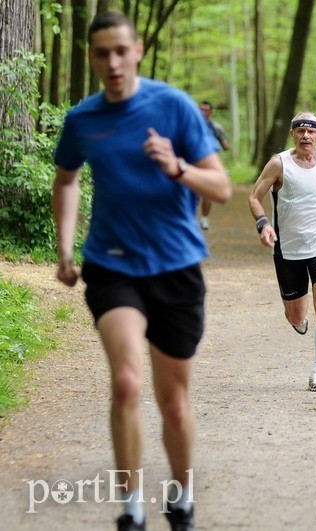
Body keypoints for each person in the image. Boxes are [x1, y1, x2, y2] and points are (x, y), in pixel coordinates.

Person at [51, 12, 231, 531]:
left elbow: (219, 189)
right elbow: (66, 180)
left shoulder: (172, 107)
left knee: (174, 404)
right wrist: (66, 249)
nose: (112, 62)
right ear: (91, 57)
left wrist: (177, 166)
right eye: (101, 53)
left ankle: (182, 498)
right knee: (127, 382)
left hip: (176, 268)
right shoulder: (82, 119)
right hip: (112, 265)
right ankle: (130, 509)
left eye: (120, 51)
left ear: (138, 51)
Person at [248, 112, 316, 392]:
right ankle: (298, 318)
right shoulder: (278, 164)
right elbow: (254, 196)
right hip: (288, 249)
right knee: (296, 317)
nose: (306, 136)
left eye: (311, 131)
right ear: (292, 135)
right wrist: (263, 225)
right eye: (300, 131)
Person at [198, 101, 229, 231]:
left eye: (206, 110)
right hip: (192, 162)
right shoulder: (190, 125)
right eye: (201, 109)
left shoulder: (215, 127)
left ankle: (204, 220)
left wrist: (222, 143)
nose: (203, 112)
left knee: (207, 193)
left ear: (210, 112)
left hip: (209, 164)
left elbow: (225, 145)